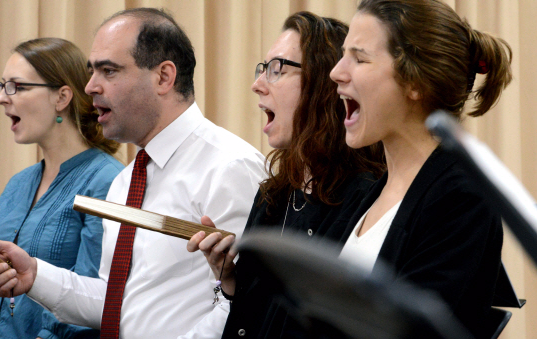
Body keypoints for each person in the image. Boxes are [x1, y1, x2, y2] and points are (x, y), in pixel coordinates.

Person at [0, 8, 266, 339]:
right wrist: (35, 275)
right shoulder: (126, 181)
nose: (90, 86)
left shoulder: (230, 166)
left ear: (164, 77)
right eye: (91, 71)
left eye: (108, 71)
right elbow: (113, 302)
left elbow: (247, 304)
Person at [187, 11, 385, 338]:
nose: (257, 84)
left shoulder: (368, 199)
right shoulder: (274, 195)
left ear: (325, 83)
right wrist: (231, 280)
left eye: (277, 68)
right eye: (263, 69)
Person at [329, 0, 511, 337]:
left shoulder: (462, 198)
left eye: (359, 58)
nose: (336, 72)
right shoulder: (369, 193)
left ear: (415, 82)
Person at [0, 38, 124, 339]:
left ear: (61, 97)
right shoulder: (18, 184)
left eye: (17, 87)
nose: (1, 99)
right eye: (2, 86)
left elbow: (94, 303)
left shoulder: (108, 182)